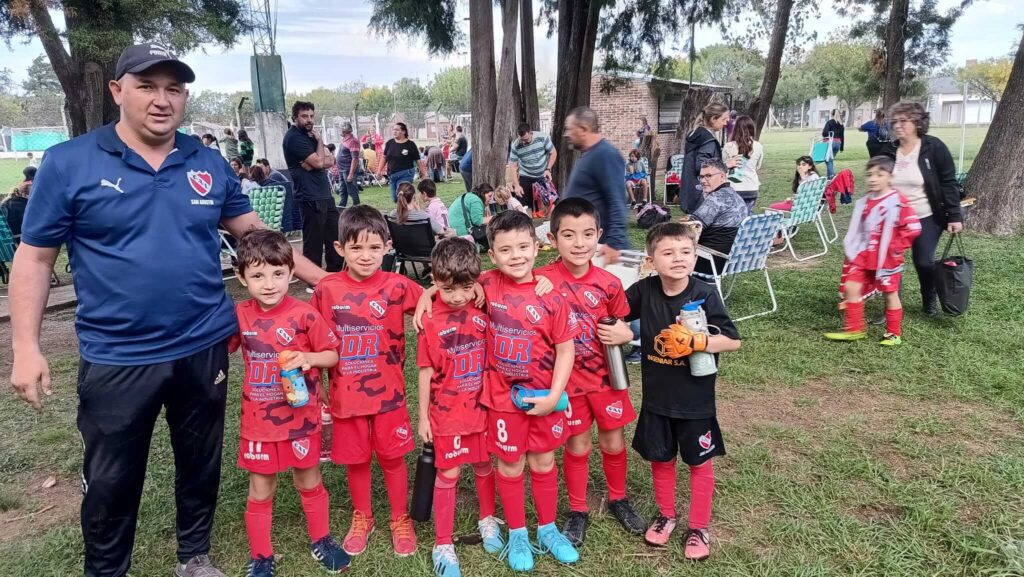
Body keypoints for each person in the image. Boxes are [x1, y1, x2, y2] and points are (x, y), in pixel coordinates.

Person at [9, 42, 325, 577]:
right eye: (147, 86)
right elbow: (36, 260)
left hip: (205, 344)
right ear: (117, 91)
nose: (162, 100)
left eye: (173, 88)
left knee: (200, 462)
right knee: (111, 477)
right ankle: (107, 570)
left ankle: (193, 557)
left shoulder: (207, 162)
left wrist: (328, 284)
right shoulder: (69, 163)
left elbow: (256, 235)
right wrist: (25, 346)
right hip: (118, 354)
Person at [417, 210, 582, 571]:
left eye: (524, 247)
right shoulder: (487, 284)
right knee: (510, 465)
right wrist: (425, 295)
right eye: (506, 250)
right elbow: (450, 283)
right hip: (503, 399)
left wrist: (555, 396)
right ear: (493, 255)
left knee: (543, 461)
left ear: (537, 248)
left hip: (544, 396)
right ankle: (519, 533)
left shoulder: (550, 293)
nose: (516, 256)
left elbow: (566, 348)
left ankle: (548, 529)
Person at [602, 221, 741, 560]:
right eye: (667, 252)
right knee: (661, 459)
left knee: (699, 463)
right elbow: (613, 312)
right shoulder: (644, 290)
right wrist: (623, 333)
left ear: (694, 255)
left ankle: (698, 527)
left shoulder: (705, 294)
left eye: (686, 251)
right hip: (657, 399)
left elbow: (733, 340)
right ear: (651, 260)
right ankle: (666, 515)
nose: (678, 258)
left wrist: (699, 340)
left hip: (696, 402)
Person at [229, 229, 350, 577]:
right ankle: (262, 557)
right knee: (260, 486)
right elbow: (220, 349)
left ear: (291, 273)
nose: (269, 283)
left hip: (301, 418)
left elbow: (332, 354)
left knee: (308, 480)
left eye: (278, 273)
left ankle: (322, 540)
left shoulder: (305, 314)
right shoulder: (239, 315)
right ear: (241, 277)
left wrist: (309, 358)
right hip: (258, 421)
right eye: (257, 275)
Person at [308, 205, 424, 558]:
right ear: (339, 248)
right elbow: (311, 339)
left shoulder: (399, 286)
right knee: (356, 459)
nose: (366, 256)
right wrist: (318, 385)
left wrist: (437, 296)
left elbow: (437, 300)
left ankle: (400, 518)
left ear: (388, 245)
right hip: (346, 397)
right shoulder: (327, 289)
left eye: (374, 247)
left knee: (392, 458)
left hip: (389, 396)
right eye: (356, 248)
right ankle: (363, 516)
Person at [536, 198, 647, 546]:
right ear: (553, 240)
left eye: (587, 234)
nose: (579, 243)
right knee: (577, 443)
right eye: (569, 235)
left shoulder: (609, 283)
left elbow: (623, 322)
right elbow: (500, 287)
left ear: (598, 236)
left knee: (613, 440)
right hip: (567, 381)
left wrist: (626, 334)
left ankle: (618, 498)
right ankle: (578, 509)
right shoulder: (542, 280)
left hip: (606, 378)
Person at [415, 237, 503, 577]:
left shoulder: (482, 305)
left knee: (484, 464)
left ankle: (487, 520)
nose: (457, 297)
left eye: (466, 288)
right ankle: (443, 542)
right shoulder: (429, 321)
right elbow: (424, 372)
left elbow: (509, 273)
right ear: (435, 282)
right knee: (448, 474)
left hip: (482, 408)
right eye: (448, 289)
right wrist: (423, 416)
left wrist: (477, 288)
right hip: (447, 414)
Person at [826, 156, 921, 346]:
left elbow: (913, 227)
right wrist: (854, 247)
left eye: (879, 174)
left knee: (890, 293)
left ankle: (893, 334)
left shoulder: (897, 201)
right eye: (870, 174)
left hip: (886, 259)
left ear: (890, 177)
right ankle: (854, 329)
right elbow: (859, 228)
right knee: (851, 287)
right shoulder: (865, 202)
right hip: (864, 254)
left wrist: (896, 247)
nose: (873, 179)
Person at [881, 101, 964, 316]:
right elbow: (878, 179)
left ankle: (929, 299)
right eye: (895, 121)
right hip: (893, 219)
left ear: (918, 123)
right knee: (889, 262)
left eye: (903, 121)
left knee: (924, 262)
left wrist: (955, 216)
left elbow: (948, 183)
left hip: (925, 216)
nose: (897, 126)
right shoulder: (889, 150)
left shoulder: (933, 147)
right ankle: (892, 305)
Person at [562, 106, 630, 264]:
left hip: (604, 247)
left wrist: (614, 242)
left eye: (569, 129)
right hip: (587, 244)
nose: (566, 134)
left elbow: (617, 200)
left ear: (583, 129)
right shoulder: (590, 154)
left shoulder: (605, 155)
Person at [283, 100, 343, 275]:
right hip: (309, 195)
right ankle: (312, 278)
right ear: (295, 117)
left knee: (334, 233)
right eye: (304, 116)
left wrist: (318, 151)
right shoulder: (293, 137)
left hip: (324, 193)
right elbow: (319, 161)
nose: (309, 120)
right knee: (314, 239)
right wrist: (319, 154)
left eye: (311, 116)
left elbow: (331, 160)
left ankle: (334, 273)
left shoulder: (311, 135)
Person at [687, 160, 748, 274]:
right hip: (732, 260)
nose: (703, 181)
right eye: (701, 177)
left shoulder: (716, 199)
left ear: (722, 176)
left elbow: (690, 228)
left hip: (710, 260)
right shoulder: (736, 197)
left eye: (708, 176)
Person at [681, 103, 728, 214]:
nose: (726, 123)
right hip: (702, 194)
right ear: (713, 119)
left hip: (691, 191)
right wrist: (726, 165)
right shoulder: (707, 141)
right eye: (724, 119)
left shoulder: (696, 135)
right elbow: (702, 167)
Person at [508, 123, 557, 214]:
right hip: (526, 176)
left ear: (531, 133)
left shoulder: (542, 137)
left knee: (550, 203)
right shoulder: (516, 145)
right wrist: (517, 185)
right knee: (523, 207)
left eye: (526, 139)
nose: (524, 142)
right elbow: (513, 166)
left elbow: (553, 153)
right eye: (521, 139)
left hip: (542, 175)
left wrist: (548, 169)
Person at [722, 115, 764, 212]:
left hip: (734, 187)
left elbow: (724, 164)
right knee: (747, 216)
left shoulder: (729, 146)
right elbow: (758, 166)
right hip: (752, 187)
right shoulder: (758, 146)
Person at [377, 122, 427, 203]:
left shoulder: (410, 145)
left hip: (406, 173)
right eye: (393, 130)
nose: (394, 131)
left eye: (397, 130)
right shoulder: (390, 143)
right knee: (395, 199)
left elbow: (418, 160)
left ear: (403, 131)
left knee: (402, 196)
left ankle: (407, 212)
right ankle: (409, 206)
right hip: (392, 175)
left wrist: (424, 174)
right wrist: (379, 171)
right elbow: (384, 157)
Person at [335, 121, 362, 208]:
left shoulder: (353, 141)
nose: (339, 131)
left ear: (344, 130)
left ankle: (357, 208)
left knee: (351, 190)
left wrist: (350, 174)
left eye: (340, 129)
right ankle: (341, 207)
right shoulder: (344, 140)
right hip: (342, 169)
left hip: (348, 170)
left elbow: (355, 158)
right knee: (342, 190)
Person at [822, 109, 845, 179]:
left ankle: (831, 176)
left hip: (830, 143)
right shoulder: (841, 125)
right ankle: (829, 176)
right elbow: (842, 136)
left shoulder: (829, 122)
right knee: (830, 159)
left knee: (827, 159)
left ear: (831, 114)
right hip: (838, 143)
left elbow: (824, 133)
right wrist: (841, 148)